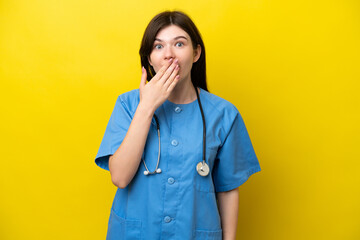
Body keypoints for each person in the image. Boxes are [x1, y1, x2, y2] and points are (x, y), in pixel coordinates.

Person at [95, 10, 261, 240]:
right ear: (149, 58)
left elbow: (228, 188)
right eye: (159, 46)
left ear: (196, 53)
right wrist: (147, 107)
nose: (169, 55)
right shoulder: (128, 104)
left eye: (179, 44)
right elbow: (120, 177)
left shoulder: (224, 114)